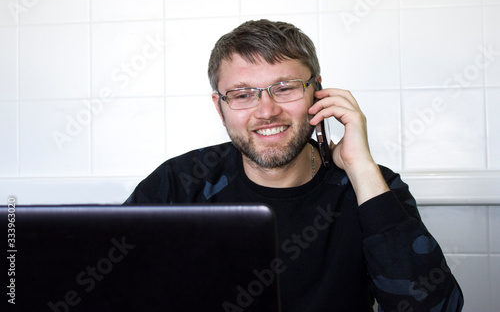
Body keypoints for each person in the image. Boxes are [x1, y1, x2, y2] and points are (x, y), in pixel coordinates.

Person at [125, 19, 463, 311]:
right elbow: (111, 293)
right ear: (220, 107)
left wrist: (360, 166)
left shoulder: (371, 187)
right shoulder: (180, 183)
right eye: (243, 95)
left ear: (318, 92)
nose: (267, 110)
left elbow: (433, 308)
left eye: (284, 88)